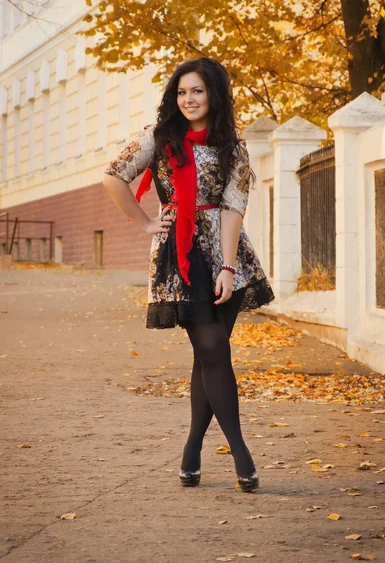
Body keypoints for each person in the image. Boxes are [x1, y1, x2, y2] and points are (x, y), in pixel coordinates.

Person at [102, 56, 275, 492]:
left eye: (197, 91)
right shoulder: (158, 139)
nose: (189, 99)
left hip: (227, 256)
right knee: (214, 348)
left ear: (214, 94)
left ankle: (192, 451)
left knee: (208, 356)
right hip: (178, 258)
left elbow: (234, 208)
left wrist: (229, 267)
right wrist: (144, 222)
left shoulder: (233, 147)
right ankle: (241, 454)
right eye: (182, 92)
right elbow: (113, 176)